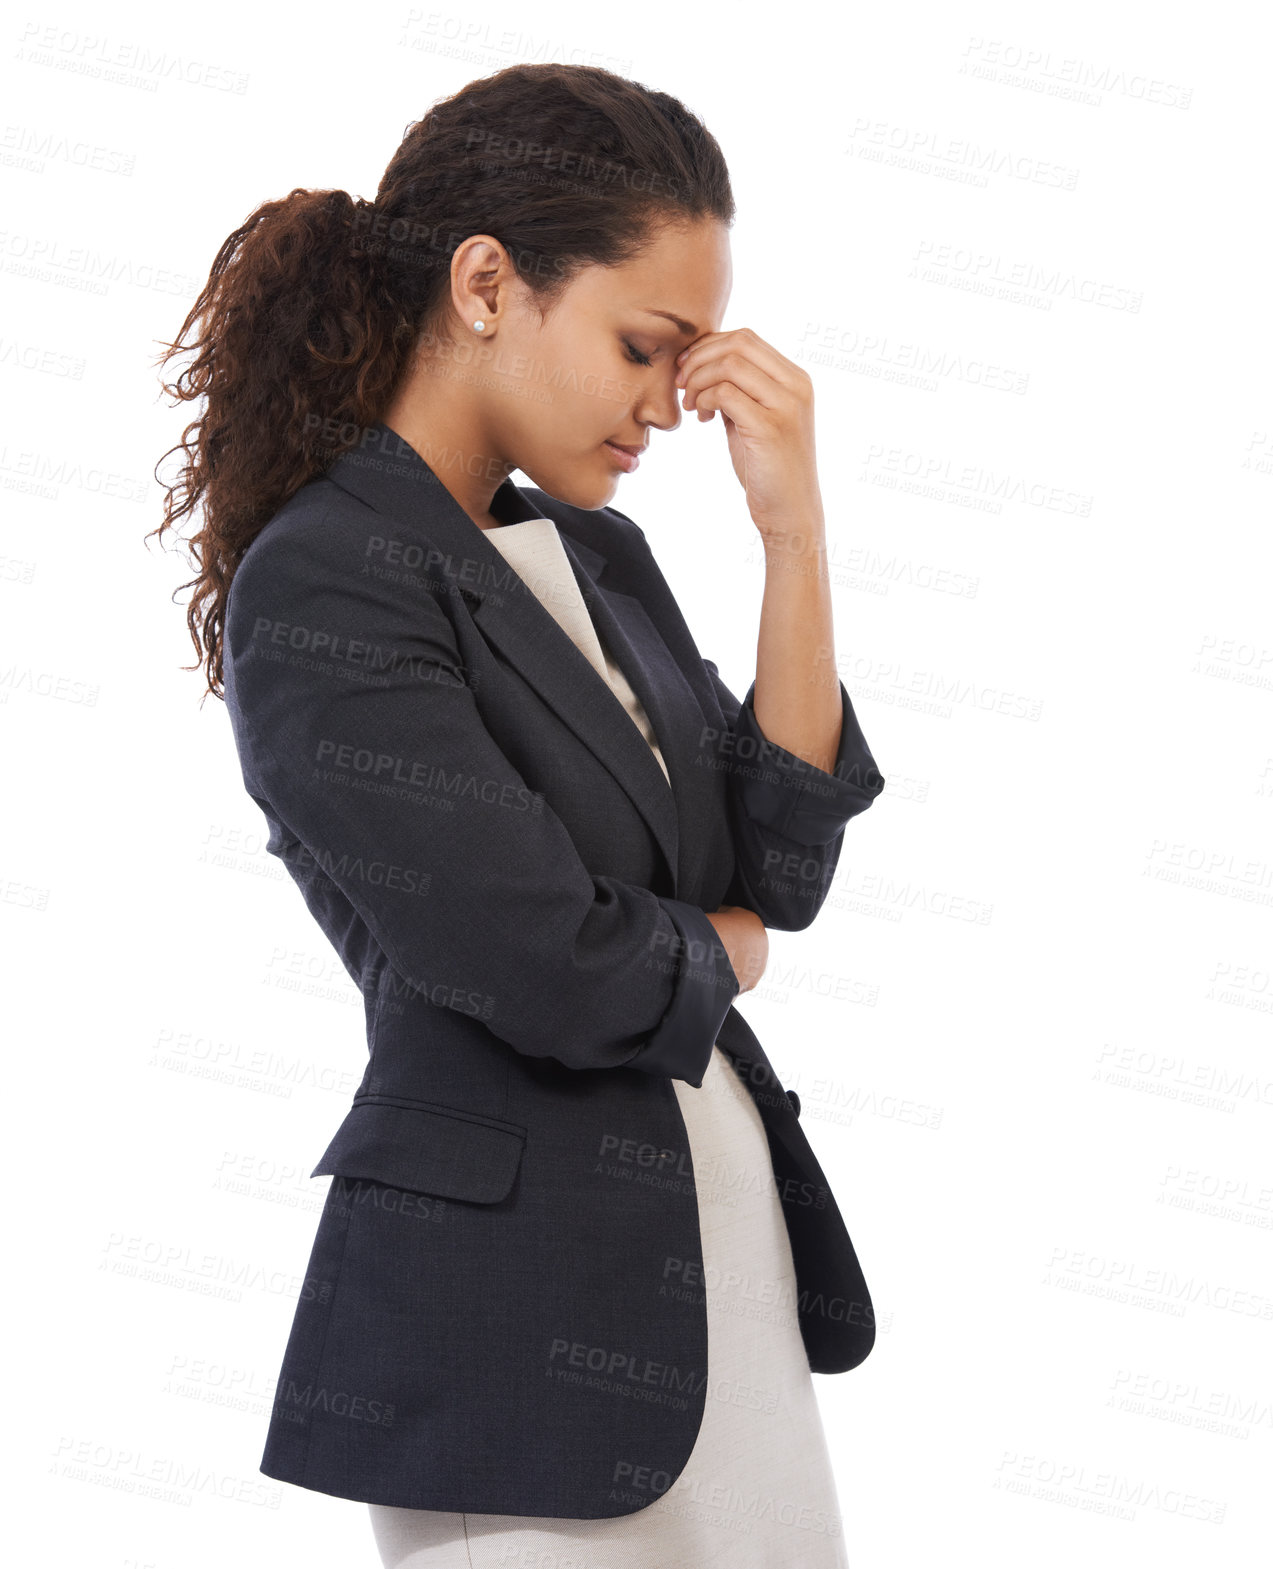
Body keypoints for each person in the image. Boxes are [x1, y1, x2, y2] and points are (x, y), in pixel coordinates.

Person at [151, 60, 885, 1568]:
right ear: (485, 282)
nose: (669, 404)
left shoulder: (596, 560)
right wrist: (729, 951)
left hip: (715, 1288)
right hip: (516, 1332)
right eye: (642, 345)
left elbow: (781, 861)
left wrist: (792, 534)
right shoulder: (328, 577)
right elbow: (549, 961)